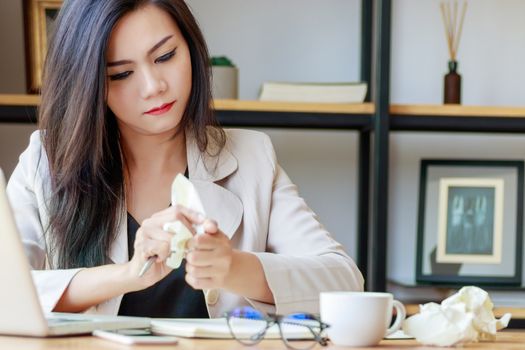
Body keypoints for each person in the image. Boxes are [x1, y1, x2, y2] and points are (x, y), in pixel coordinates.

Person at [7, 0, 363, 318]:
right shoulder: (48, 162)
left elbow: (344, 281)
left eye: (165, 56)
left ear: (190, 48)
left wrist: (234, 267)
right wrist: (130, 274)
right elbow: (7, 291)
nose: (153, 86)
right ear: (88, 85)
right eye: (121, 74)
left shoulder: (252, 157)